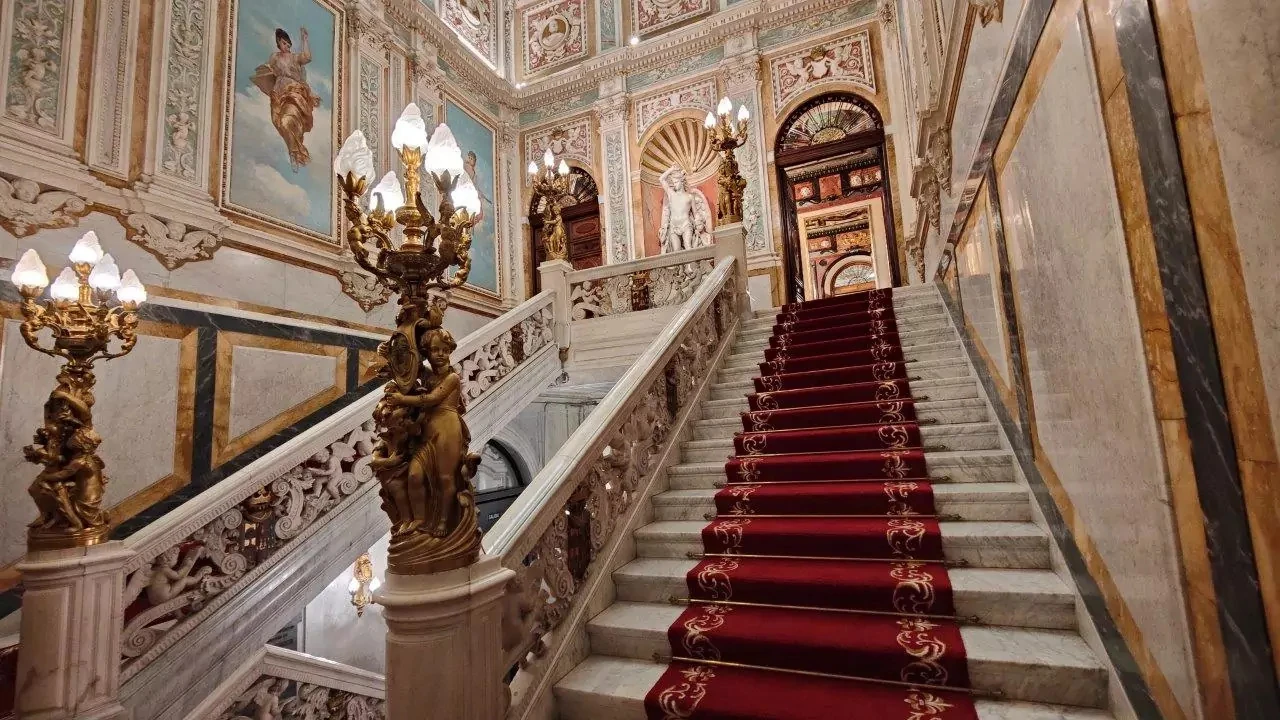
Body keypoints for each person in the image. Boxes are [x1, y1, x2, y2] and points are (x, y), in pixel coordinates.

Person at [250, 27, 321, 171]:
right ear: (278, 43)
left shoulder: (294, 57)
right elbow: (268, 69)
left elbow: (307, 57)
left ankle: (296, 152)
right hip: (278, 93)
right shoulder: (274, 57)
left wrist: (304, 39)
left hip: (293, 91)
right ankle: (294, 152)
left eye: (288, 45)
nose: (287, 47)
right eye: (284, 44)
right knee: (279, 123)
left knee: (287, 121)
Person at [658, 167, 713, 253]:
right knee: (676, 251)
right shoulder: (671, 194)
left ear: (681, 181)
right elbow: (661, 179)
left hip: (686, 224)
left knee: (688, 246)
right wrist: (672, 169)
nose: (674, 184)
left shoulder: (690, 197)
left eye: (676, 182)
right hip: (673, 225)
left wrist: (699, 221)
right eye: (673, 182)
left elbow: (695, 213)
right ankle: (680, 267)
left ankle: (692, 267)